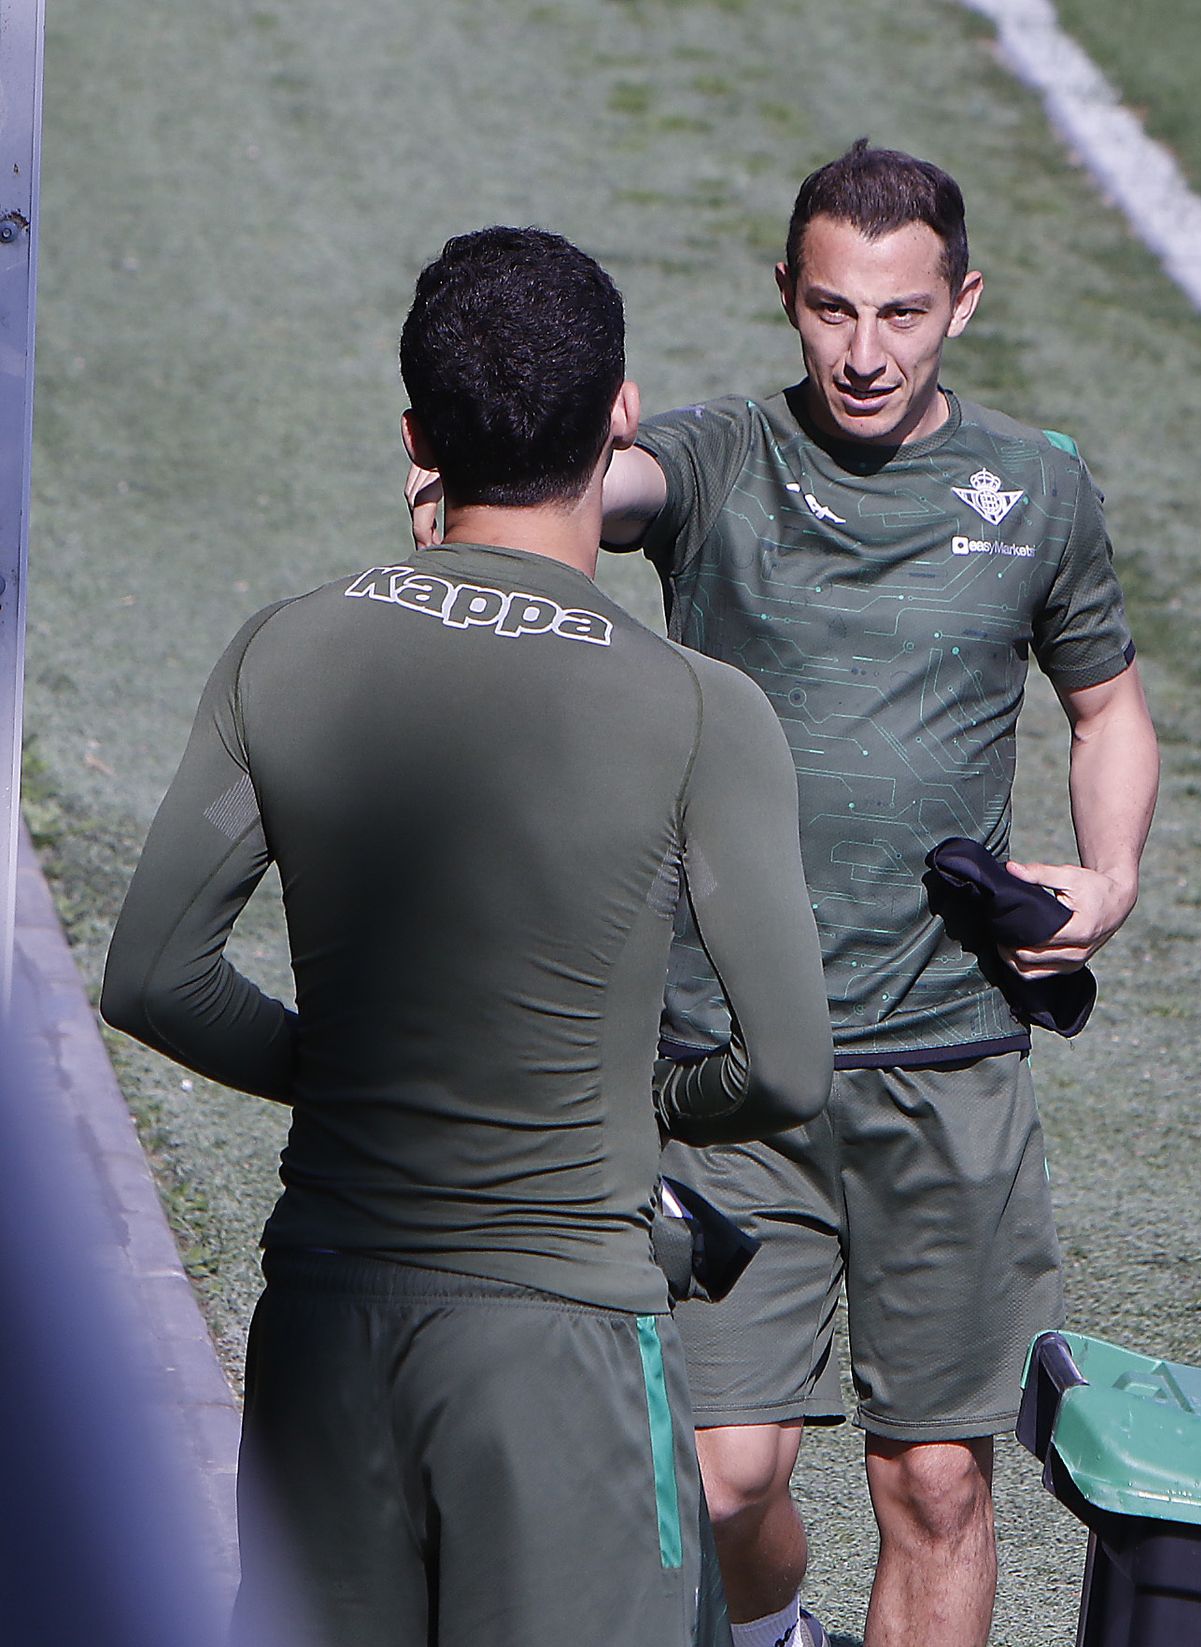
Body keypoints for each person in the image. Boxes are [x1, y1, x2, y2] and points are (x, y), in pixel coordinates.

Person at [417, 141, 1162, 1647]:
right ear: (785, 296)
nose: (864, 352)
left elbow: (1108, 708)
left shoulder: (1038, 490)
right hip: (728, 1063)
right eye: (831, 312)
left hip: (947, 1062)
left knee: (938, 1485)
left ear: (963, 301)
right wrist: (508, 457)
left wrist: (1114, 872)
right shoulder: (717, 458)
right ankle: (771, 1635)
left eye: (900, 314)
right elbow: (604, 485)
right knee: (719, 1470)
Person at [102, 225, 833, 1647]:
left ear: (418, 433)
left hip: (325, 1326)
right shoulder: (697, 710)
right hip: (559, 1336)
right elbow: (790, 1067)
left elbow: (153, 978)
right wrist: (652, 1101)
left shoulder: (285, 648)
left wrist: (365, 1071)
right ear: (620, 417)